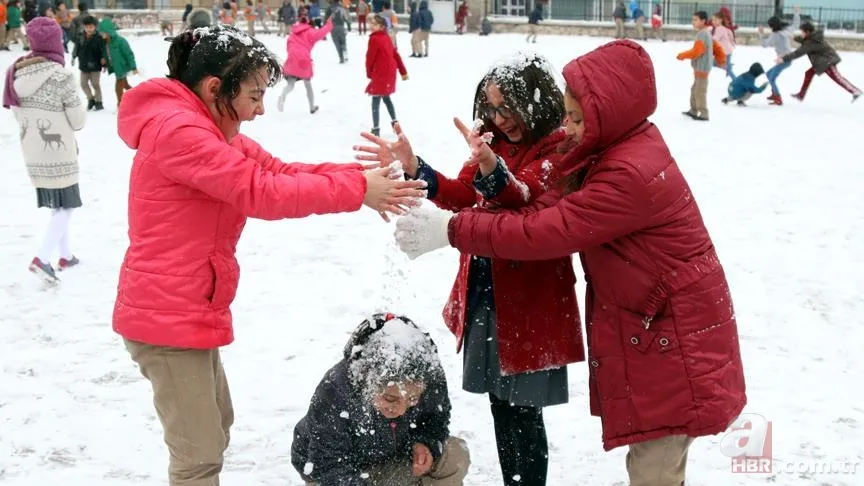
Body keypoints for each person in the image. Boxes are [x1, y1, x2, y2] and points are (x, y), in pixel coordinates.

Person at [391, 40, 746, 486]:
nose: (569, 125)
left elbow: (541, 224)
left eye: (576, 117)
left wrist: (451, 227)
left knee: (645, 457)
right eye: (568, 114)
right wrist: (419, 169)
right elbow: (482, 198)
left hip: (608, 320)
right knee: (522, 415)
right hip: (645, 323)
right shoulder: (602, 151)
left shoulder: (608, 167)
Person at [112, 24, 426, 486]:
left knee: (215, 427)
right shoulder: (180, 131)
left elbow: (279, 170)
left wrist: (365, 176)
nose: (259, 110)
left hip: (187, 308)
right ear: (215, 87)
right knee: (198, 455)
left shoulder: (210, 127)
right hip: (166, 315)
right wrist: (358, 190)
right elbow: (261, 191)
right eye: (254, 96)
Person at [355, 52, 584, 486]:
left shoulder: (558, 148)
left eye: (508, 106)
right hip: (488, 293)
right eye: (492, 108)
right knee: (502, 405)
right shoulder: (493, 140)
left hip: (530, 303)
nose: (500, 118)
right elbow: (462, 194)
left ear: (533, 100)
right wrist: (414, 165)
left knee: (524, 413)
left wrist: (489, 165)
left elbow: (522, 199)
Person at [291, 313, 471, 485]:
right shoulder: (334, 390)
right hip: (343, 473)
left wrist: (426, 443)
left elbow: (436, 417)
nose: (400, 410)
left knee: (453, 454)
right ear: (368, 381)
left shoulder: (429, 376)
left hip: (392, 458)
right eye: (390, 399)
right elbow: (329, 468)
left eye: (413, 399)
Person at [2, 17, 86, 282]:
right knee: (67, 204)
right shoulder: (61, 75)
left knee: (59, 203)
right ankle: (43, 257)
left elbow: (16, 113)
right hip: (59, 152)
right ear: (56, 42)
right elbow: (78, 121)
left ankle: (66, 255)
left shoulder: (15, 72)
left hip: (32, 149)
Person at [781, 21, 861, 103]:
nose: (801, 34)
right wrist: (794, 38)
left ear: (807, 32)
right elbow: (805, 40)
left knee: (837, 78)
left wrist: (783, 59)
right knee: (809, 73)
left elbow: (798, 52)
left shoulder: (812, 42)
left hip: (827, 61)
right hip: (821, 62)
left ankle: (855, 91)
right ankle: (801, 95)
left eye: (802, 32)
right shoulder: (813, 37)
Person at [278, 8, 332, 113]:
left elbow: (288, 44)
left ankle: (282, 96)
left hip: (292, 57)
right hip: (303, 60)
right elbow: (321, 33)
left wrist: (292, 53)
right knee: (308, 84)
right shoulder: (310, 31)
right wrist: (329, 24)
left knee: (290, 84)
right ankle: (312, 107)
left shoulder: (293, 32)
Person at [365, 13, 407, 136]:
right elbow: (396, 55)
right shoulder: (386, 37)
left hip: (380, 73)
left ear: (382, 26)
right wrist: (403, 71)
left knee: (375, 100)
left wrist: (369, 73)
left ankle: (376, 129)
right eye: (371, 24)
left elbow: (370, 58)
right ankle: (395, 123)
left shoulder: (374, 38)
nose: (371, 26)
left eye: (374, 24)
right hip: (389, 73)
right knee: (386, 98)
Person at [677, 11, 722, 121]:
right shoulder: (705, 33)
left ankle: (704, 113)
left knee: (700, 92)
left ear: (703, 21)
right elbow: (717, 47)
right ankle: (693, 110)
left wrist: (683, 55)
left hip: (702, 68)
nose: (693, 22)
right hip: (699, 68)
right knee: (694, 90)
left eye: (695, 20)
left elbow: (698, 51)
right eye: (693, 19)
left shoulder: (703, 34)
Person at [757, 9, 800, 106]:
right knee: (769, 74)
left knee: (771, 78)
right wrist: (796, 13)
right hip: (787, 58)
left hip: (784, 60)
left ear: (773, 26)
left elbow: (764, 44)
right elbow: (796, 24)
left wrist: (761, 33)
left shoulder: (775, 35)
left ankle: (778, 98)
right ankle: (774, 93)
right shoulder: (786, 29)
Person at [97, 17, 138, 106]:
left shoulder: (120, 41)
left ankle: (120, 104)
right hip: (115, 67)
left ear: (109, 31)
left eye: (103, 32)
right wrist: (105, 64)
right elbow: (106, 54)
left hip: (122, 67)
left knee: (118, 87)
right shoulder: (105, 42)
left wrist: (133, 67)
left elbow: (129, 54)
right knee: (125, 85)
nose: (101, 34)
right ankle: (137, 96)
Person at [71, 14, 106, 111]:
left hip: (95, 64)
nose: (89, 29)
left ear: (95, 27)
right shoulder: (80, 36)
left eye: (91, 27)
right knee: (83, 83)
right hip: (83, 64)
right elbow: (76, 47)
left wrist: (104, 59)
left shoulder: (99, 38)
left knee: (95, 84)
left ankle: (99, 101)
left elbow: (103, 50)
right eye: (86, 27)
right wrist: (74, 56)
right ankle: (90, 99)